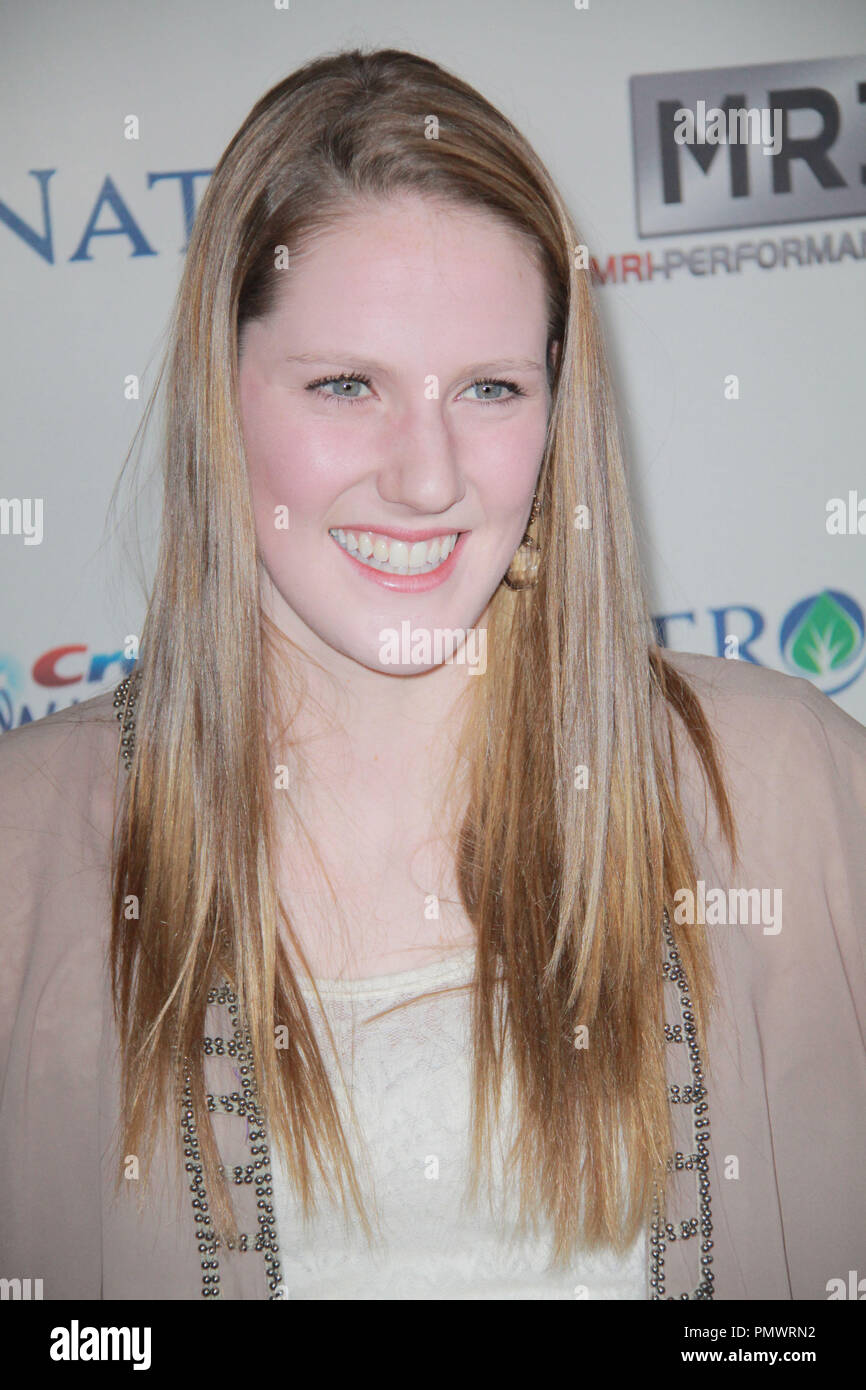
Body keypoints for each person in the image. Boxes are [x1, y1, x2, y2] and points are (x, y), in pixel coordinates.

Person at [1, 46, 864, 1302]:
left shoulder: (788, 791)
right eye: (346, 385)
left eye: (492, 388)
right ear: (219, 392)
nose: (426, 475)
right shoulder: (25, 846)